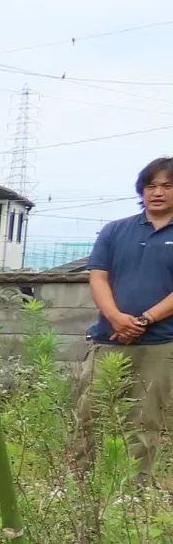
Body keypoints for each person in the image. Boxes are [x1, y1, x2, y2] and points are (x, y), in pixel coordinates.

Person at [81, 156, 173, 473]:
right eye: (151, 185)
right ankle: (80, 490)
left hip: (160, 344)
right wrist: (117, 318)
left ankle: (133, 497)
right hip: (109, 339)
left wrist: (144, 320)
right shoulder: (115, 230)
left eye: (167, 185)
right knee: (90, 415)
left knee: (145, 420)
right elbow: (98, 278)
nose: (157, 192)